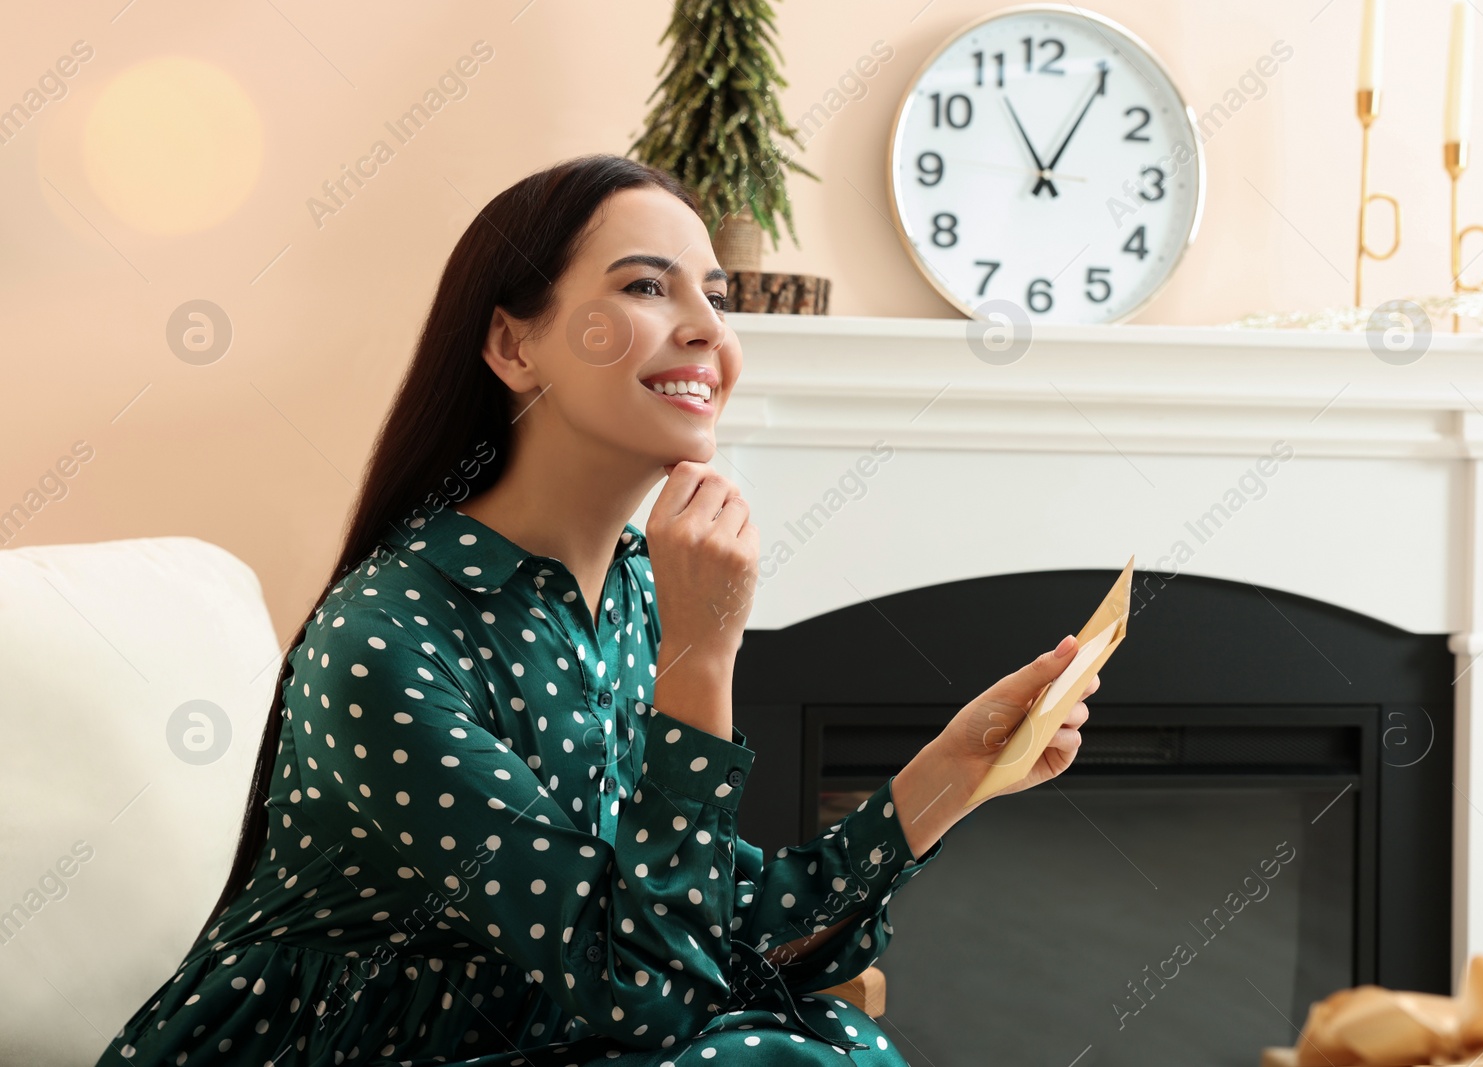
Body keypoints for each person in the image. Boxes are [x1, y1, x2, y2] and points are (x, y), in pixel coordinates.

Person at [94, 153, 1099, 1066]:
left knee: (821, 1037)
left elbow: (702, 916)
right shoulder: (384, 641)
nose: (709, 327)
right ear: (512, 344)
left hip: (556, 1019)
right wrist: (701, 657)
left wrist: (952, 773)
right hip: (345, 1041)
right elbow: (651, 991)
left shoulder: (627, 589)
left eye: (715, 292)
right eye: (646, 286)